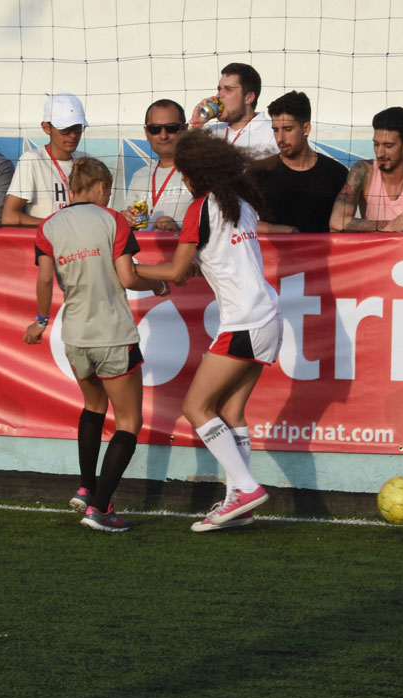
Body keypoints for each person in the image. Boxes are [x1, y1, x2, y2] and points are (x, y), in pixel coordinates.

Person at [136, 130, 282, 532]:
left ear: (196, 173)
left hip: (244, 321)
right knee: (232, 411)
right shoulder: (238, 203)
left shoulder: (199, 208)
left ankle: (247, 488)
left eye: (184, 172)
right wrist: (181, 273)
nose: (182, 178)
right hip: (269, 315)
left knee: (195, 408)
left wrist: (128, 273)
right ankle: (240, 501)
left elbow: (175, 270)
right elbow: (213, 262)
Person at [23, 158, 180, 532]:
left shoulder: (48, 226)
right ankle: (101, 507)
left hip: (73, 335)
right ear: (96, 187)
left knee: (93, 405)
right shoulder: (113, 220)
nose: (108, 196)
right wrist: (158, 285)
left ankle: (86, 486)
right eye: (107, 190)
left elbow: (45, 279)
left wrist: (41, 321)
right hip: (113, 334)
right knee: (129, 422)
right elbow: (127, 276)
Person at [251, 90, 348, 233]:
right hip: (271, 255)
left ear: (306, 128)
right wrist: (279, 230)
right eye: (276, 130)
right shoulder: (259, 172)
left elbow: (345, 226)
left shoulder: (336, 173)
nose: (280, 138)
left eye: (288, 129)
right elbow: (237, 223)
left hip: (322, 254)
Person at [330, 106, 403, 232]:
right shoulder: (362, 170)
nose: (380, 153)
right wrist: (389, 226)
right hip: (374, 251)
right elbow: (336, 222)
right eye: (376, 144)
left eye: (388, 145)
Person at [2, 93, 89, 226]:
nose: (72, 135)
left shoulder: (87, 161)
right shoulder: (32, 160)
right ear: (46, 128)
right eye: (65, 130)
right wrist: (54, 226)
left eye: (77, 129)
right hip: (47, 242)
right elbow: (9, 217)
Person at [120, 98, 193, 232]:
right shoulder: (139, 175)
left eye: (172, 128)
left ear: (185, 129)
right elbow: (127, 228)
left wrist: (179, 230)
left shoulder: (198, 172)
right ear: (147, 133)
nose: (163, 135)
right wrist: (125, 220)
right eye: (155, 129)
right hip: (144, 251)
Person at [189, 62, 277, 158]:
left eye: (228, 89)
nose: (219, 95)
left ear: (248, 98)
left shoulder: (272, 132)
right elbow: (184, 159)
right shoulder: (212, 132)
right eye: (219, 89)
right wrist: (196, 124)